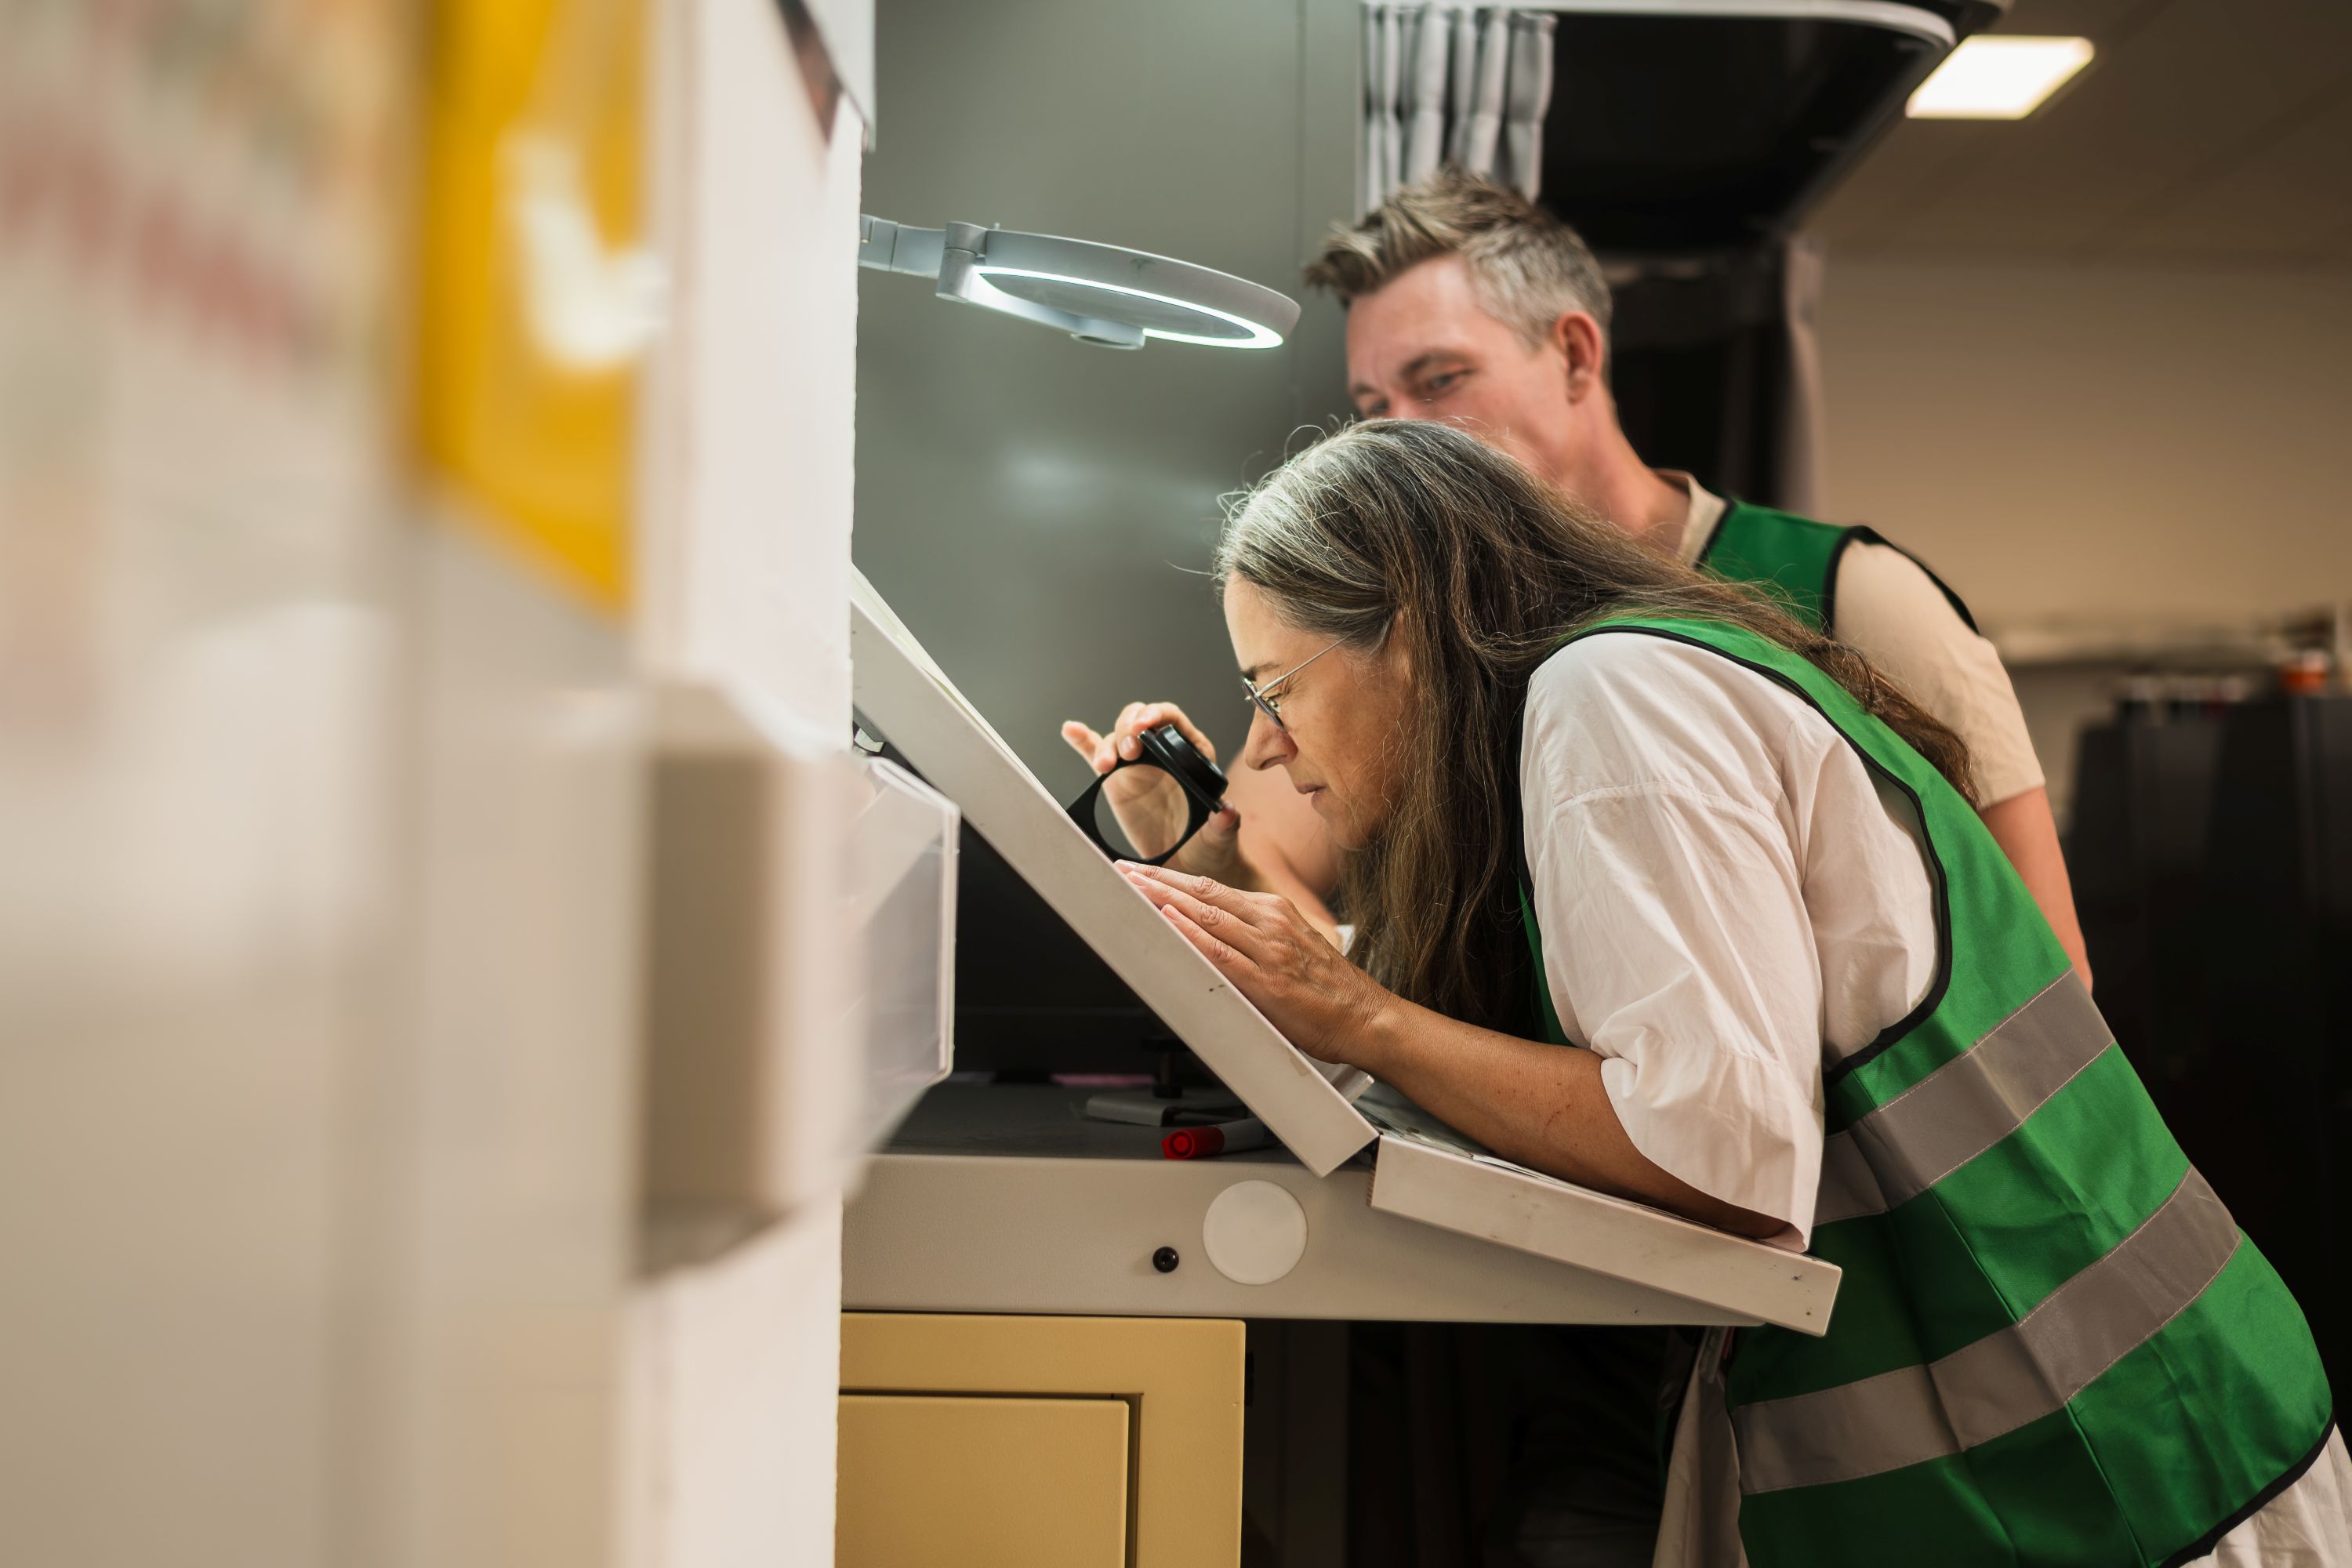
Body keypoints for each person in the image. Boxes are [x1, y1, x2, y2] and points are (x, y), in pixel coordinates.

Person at [1065, 419, 2345, 1568]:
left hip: (2116, 1452)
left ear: (1401, 632)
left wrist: (1359, 1018)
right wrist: (1220, 866)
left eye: (1278, 693)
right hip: (2080, 1426)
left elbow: (1715, 1157)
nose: (1272, 747)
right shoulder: (1598, 706)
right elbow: (1522, 1055)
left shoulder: (1610, 705)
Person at [1225, 170, 2093, 989]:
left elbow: (2049, 970)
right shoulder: (1422, 638)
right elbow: (1257, 840)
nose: (1403, 436)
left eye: (1441, 379)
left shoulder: (1851, 593)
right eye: (1376, 408)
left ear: (1572, 354)